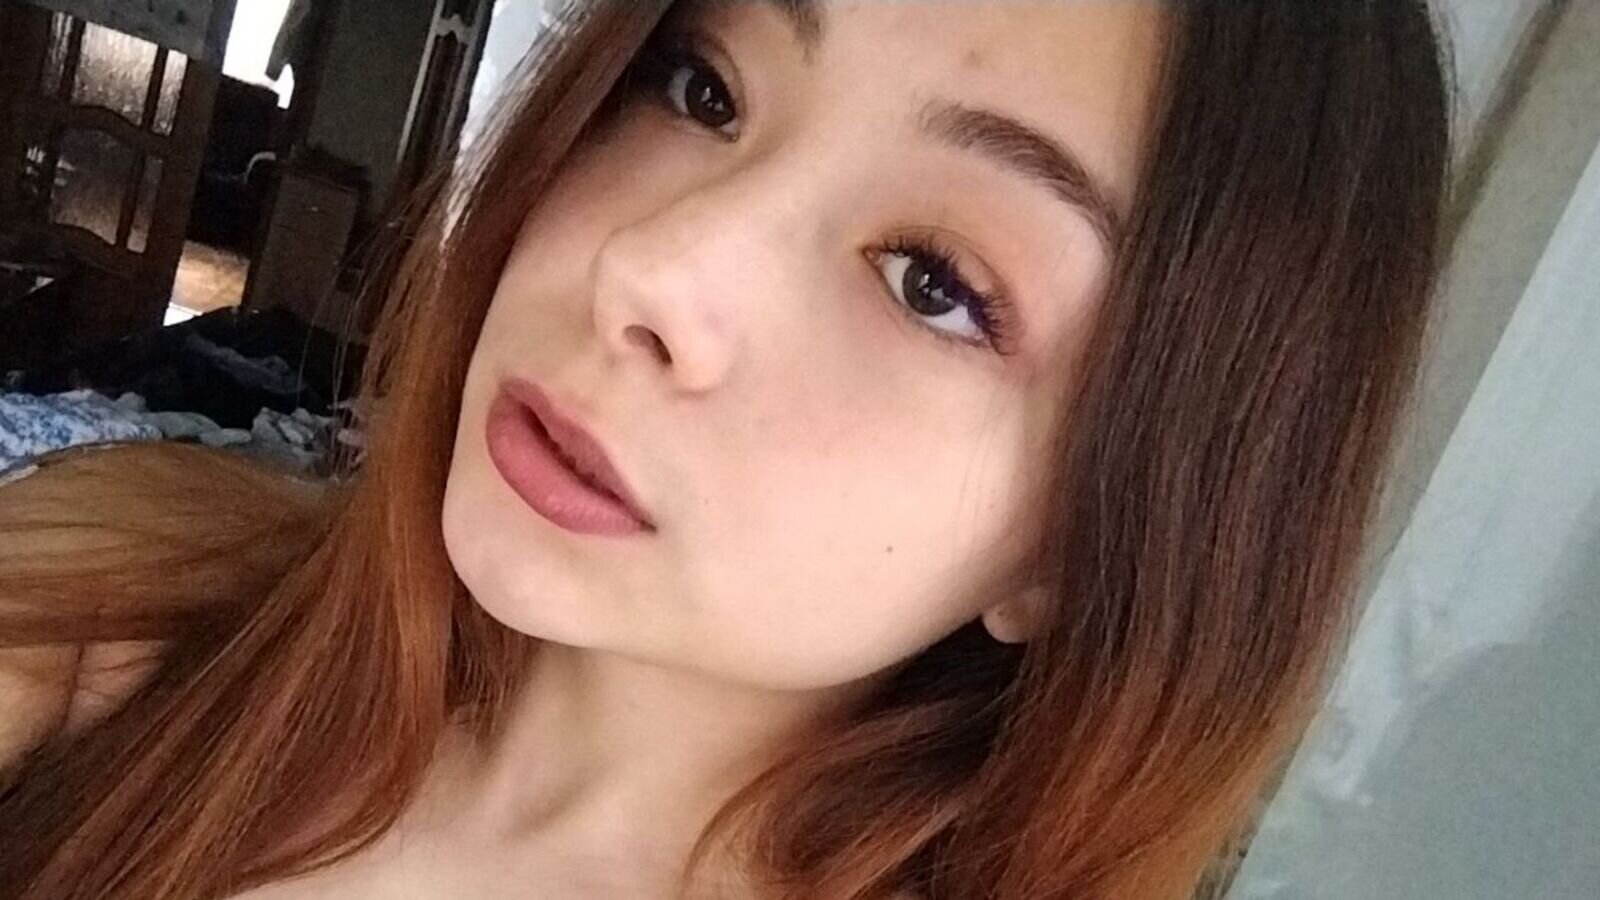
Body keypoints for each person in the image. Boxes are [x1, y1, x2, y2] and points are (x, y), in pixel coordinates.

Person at [0, 1, 1450, 897]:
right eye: (705, 91)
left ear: (1089, 542)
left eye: (935, 283)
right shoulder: (111, 599)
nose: (652, 267)